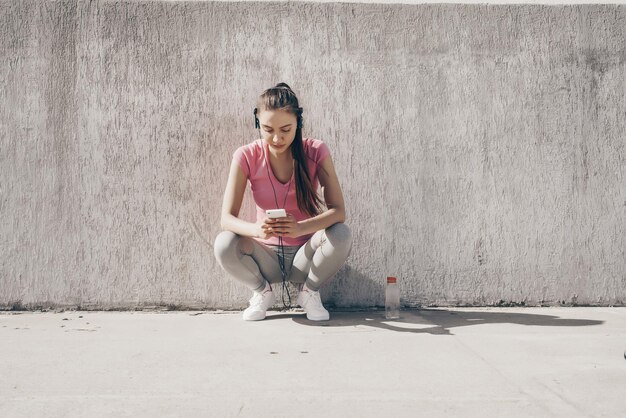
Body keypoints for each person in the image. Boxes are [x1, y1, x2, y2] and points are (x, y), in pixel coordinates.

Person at [213, 83, 352, 321]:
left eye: (286, 129)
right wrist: (257, 229)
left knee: (341, 234)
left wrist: (300, 228)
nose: (277, 138)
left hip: (305, 254)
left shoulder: (316, 151)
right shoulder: (246, 155)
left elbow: (339, 212)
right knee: (224, 243)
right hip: (265, 255)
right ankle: (262, 292)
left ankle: (308, 292)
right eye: (268, 129)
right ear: (257, 123)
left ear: (299, 123)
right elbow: (227, 219)